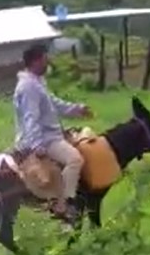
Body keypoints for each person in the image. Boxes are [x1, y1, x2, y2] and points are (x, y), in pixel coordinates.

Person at [12, 44, 93, 218]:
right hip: (45, 139)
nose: (47, 62)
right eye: (44, 59)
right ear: (35, 61)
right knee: (75, 159)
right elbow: (30, 118)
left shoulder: (36, 82)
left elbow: (54, 103)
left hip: (51, 135)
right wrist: (37, 146)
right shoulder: (28, 87)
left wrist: (77, 109)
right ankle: (63, 204)